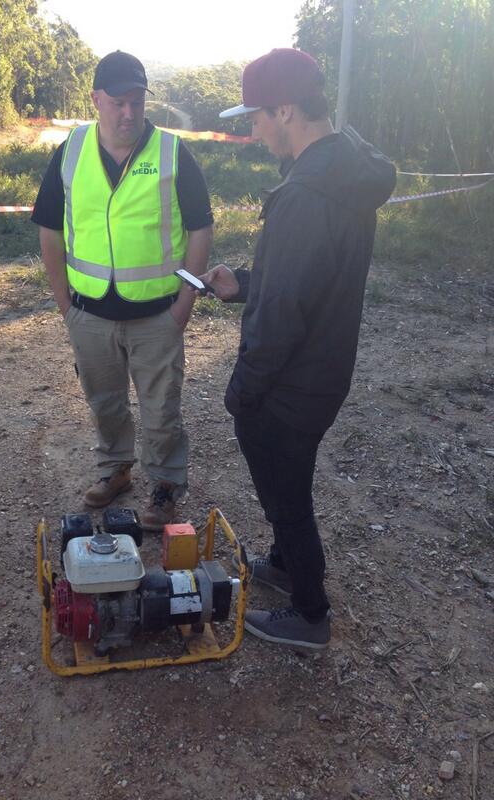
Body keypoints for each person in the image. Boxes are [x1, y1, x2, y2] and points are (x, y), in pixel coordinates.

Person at [198, 48, 396, 648]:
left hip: (290, 382)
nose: (252, 131)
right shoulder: (345, 171)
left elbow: (283, 316)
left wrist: (244, 391)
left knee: (287, 493)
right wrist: (246, 288)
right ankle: (283, 565)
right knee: (292, 480)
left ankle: (310, 613)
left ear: (286, 110)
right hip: (323, 369)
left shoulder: (306, 195)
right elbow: (305, 285)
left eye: (255, 117)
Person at [32, 51, 213, 530]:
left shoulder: (173, 153)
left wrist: (184, 303)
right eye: (118, 102)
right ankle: (115, 470)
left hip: (158, 314)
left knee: (161, 409)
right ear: (96, 100)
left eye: (137, 101)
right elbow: (49, 228)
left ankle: (165, 487)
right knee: (104, 401)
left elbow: (201, 229)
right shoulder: (70, 151)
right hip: (88, 312)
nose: (129, 112)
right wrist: (63, 302)